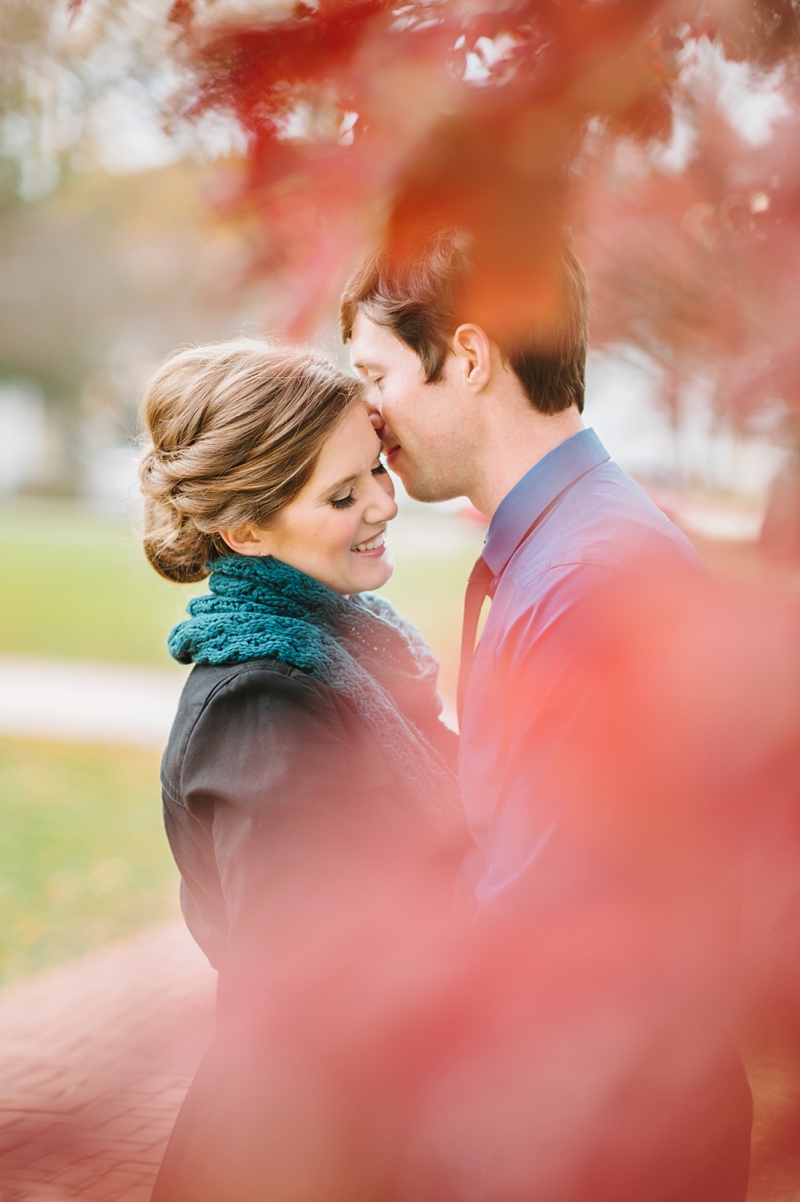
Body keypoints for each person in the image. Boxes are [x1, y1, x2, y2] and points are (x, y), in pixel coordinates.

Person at [341, 229, 753, 1201]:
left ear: (470, 356)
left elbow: (542, 925)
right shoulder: (562, 544)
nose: (363, 410)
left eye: (374, 373)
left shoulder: (588, 577)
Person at [138, 338, 461, 1202]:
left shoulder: (347, 653)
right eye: (342, 494)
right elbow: (308, 1000)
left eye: (377, 474)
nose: (384, 506)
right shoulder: (268, 708)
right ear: (245, 528)